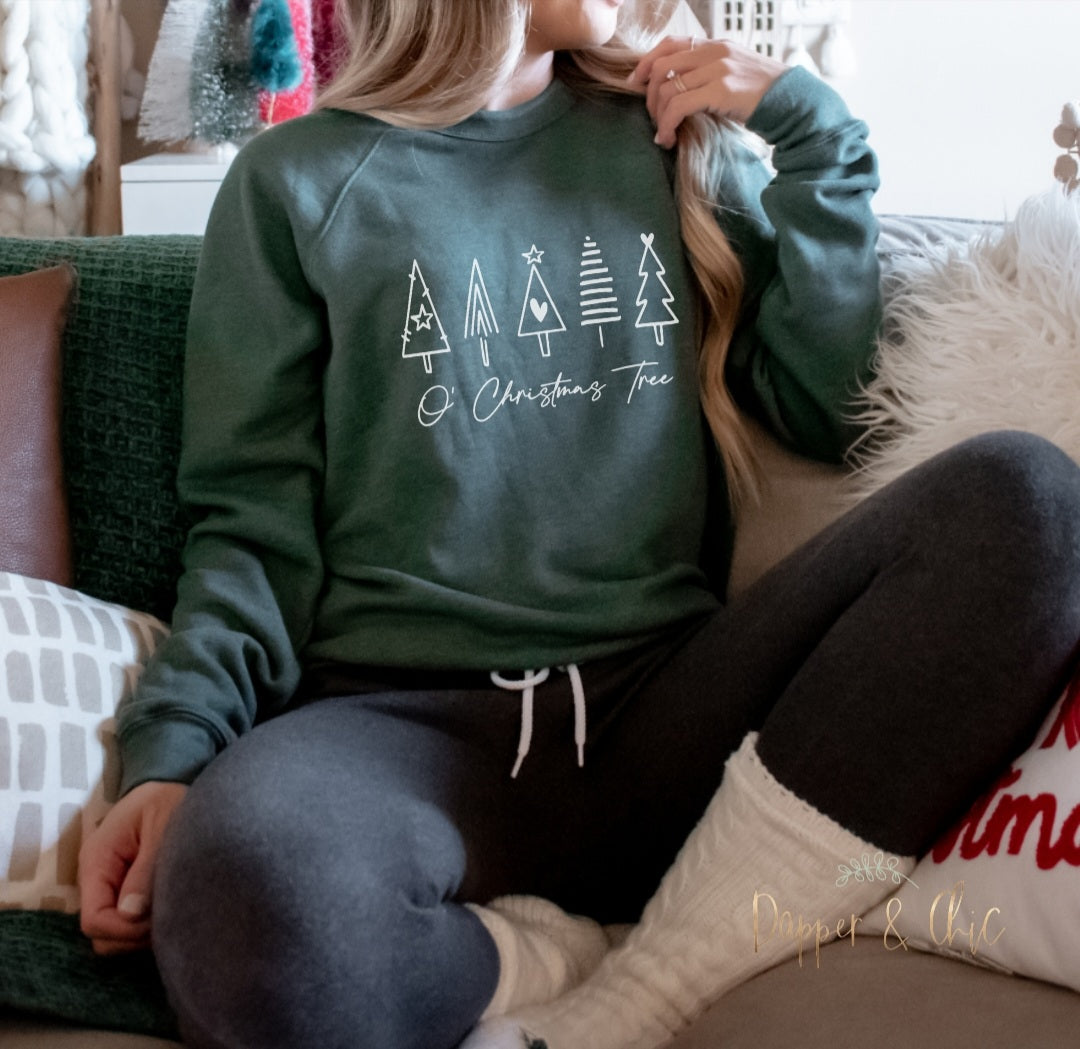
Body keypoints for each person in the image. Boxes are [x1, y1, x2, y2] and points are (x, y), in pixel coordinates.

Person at [79, 2, 1080, 1048]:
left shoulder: (672, 141)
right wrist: (172, 753)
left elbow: (831, 408)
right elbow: (251, 526)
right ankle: (541, 956)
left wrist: (810, 131)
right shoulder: (295, 183)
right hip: (399, 734)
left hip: (669, 717)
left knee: (1029, 503)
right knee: (238, 919)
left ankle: (655, 980)